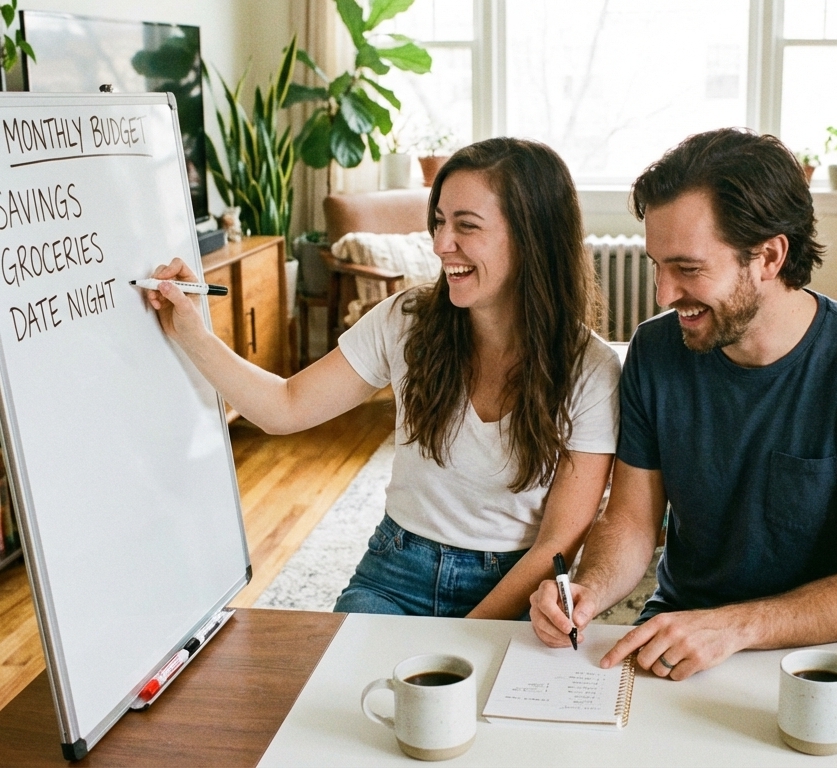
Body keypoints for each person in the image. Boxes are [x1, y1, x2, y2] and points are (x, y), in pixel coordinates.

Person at [146, 138, 620, 619]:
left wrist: (457, 644)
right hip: (396, 573)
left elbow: (557, 543)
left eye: (466, 226)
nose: (440, 244)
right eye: (438, 222)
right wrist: (193, 333)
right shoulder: (405, 319)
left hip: (515, 587)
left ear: (533, 236)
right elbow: (284, 407)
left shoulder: (592, 372)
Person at [529, 128, 837, 678]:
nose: (663, 294)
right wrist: (588, 591)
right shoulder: (655, 349)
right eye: (657, 265)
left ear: (769, 256)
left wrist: (734, 627)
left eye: (688, 269)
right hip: (680, 632)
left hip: (828, 652)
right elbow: (631, 520)